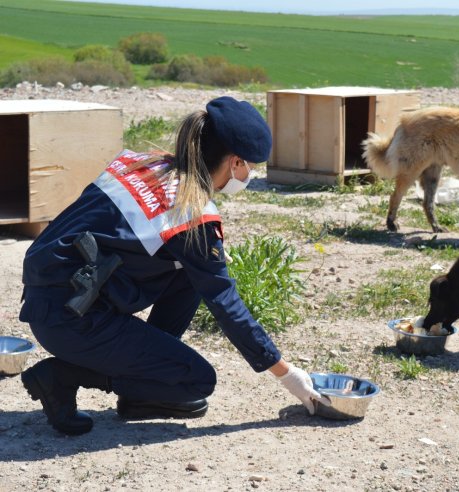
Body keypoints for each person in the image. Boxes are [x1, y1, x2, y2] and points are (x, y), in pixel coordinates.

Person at [19, 96, 329, 435]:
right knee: (196, 381)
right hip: (71, 321)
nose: (250, 175)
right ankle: (63, 376)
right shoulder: (189, 214)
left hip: (53, 300)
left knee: (191, 274)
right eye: (250, 167)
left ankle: (142, 386)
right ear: (235, 162)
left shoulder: (141, 164)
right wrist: (286, 374)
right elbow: (226, 304)